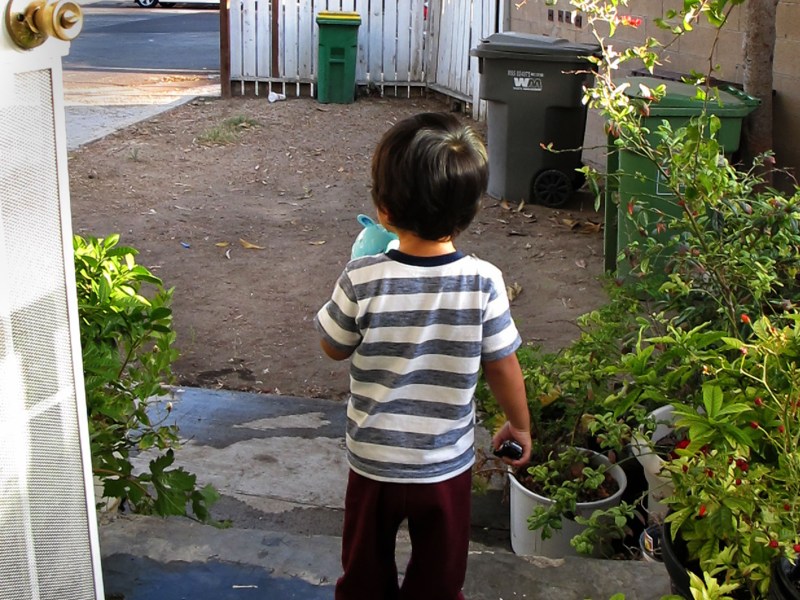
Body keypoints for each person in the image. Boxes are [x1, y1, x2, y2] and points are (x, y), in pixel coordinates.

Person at [314, 112, 532, 600]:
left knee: (365, 570)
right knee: (439, 573)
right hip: (443, 464)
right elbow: (502, 364)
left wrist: (355, 266)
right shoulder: (484, 282)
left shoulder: (363, 277)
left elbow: (332, 346)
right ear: (471, 208)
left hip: (373, 461)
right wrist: (519, 426)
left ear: (384, 209)